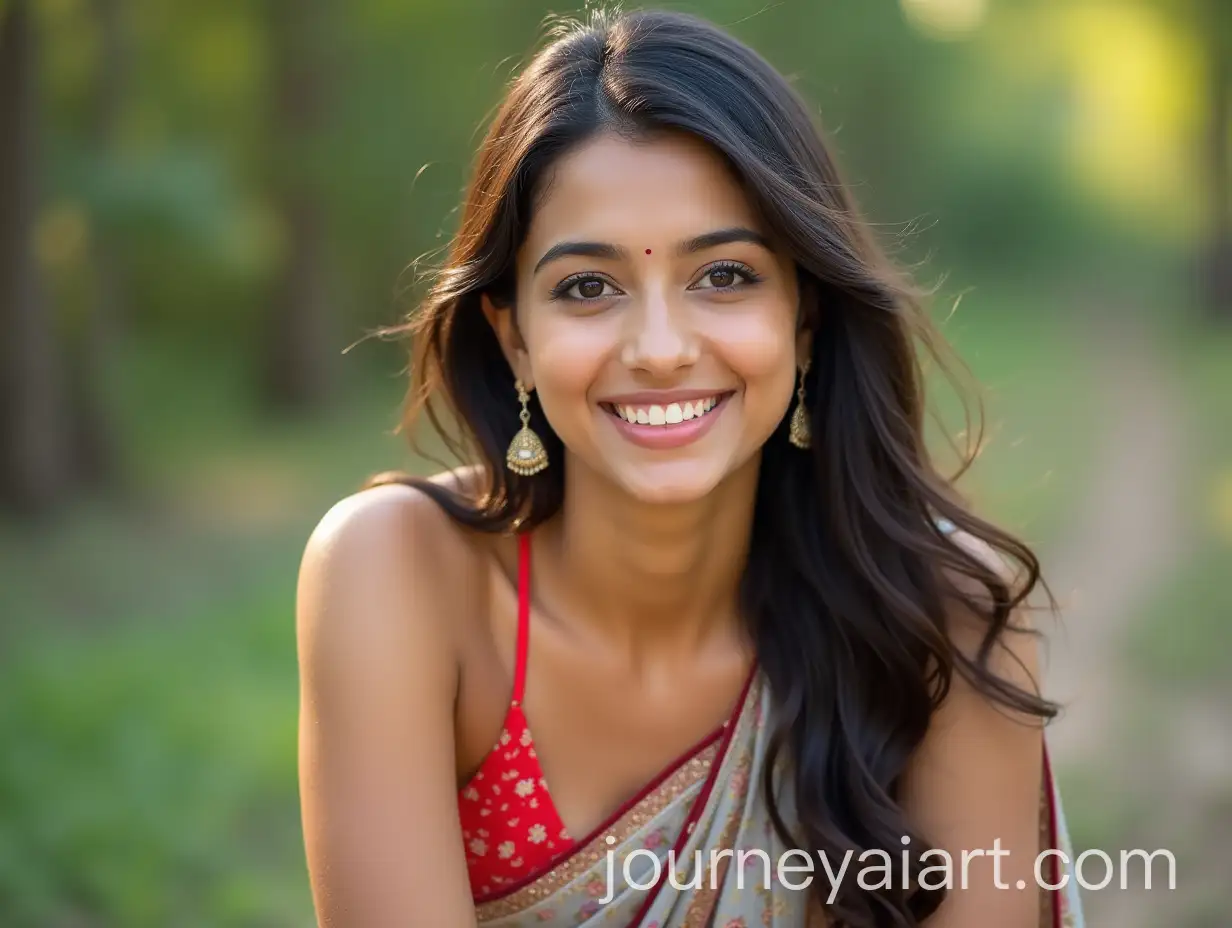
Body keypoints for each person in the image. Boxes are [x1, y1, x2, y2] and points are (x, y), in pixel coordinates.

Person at [295, 8, 1085, 927]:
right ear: (513, 338)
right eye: (588, 288)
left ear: (804, 316)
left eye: (725, 276)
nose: (661, 349)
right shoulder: (401, 578)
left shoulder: (941, 623)